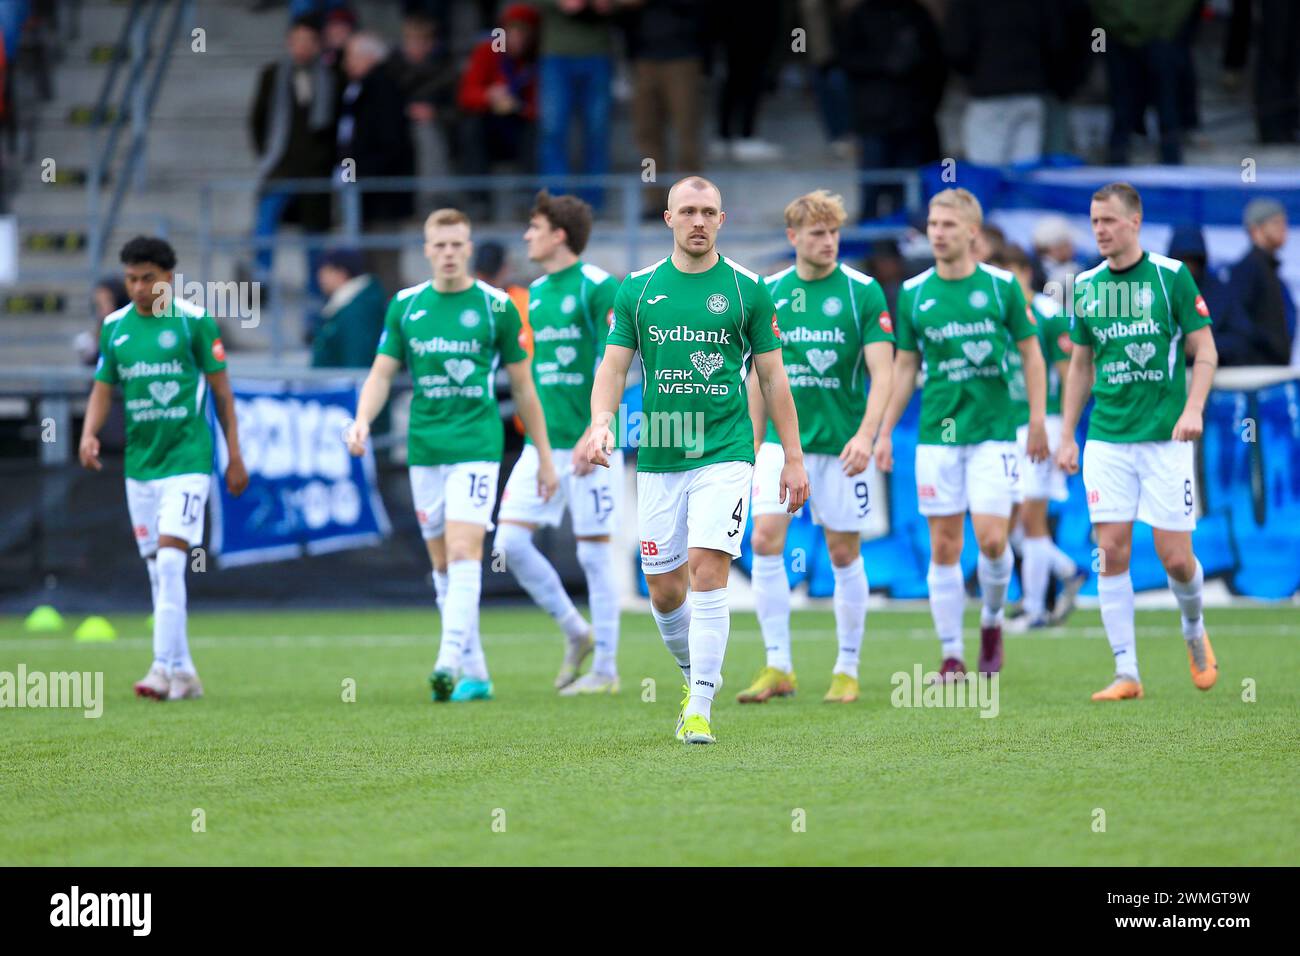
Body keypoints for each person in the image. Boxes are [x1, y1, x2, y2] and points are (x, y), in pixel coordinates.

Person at [585, 175, 810, 745]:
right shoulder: (636, 290)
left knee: (710, 569)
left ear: (722, 220)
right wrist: (601, 424)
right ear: (668, 219)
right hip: (662, 447)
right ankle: (694, 676)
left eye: (709, 211)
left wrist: (791, 456)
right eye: (687, 211)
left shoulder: (747, 289)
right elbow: (614, 367)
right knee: (664, 588)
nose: (699, 221)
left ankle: (700, 709)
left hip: (726, 449)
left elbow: (773, 376)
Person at [344, 209, 559, 703]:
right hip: (425, 448)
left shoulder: (495, 307)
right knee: (442, 565)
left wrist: (543, 455)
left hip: (476, 446)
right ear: (426, 250)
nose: (447, 253)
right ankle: (476, 673)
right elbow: (380, 374)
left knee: (465, 551)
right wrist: (360, 419)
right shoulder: (405, 306)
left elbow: (525, 387)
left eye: (456, 244)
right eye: (438, 245)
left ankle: (445, 662)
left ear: (468, 248)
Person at [874, 188, 1049, 681]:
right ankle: (952, 655)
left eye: (948, 225)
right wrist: (885, 431)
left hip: (994, 434)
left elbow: (1032, 354)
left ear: (972, 233)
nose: (938, 232)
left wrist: (1036, 418)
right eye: (933, 224)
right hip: (938, 437)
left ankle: (992, 621)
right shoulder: (914, 292)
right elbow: (906, 366)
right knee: (945, 547)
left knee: (993, 542)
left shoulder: (1001, 288)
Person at [1057, 182, 1219, 701]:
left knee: (1175, 557)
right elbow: (1080, 365)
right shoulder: (1084, 285)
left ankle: (1193, 628)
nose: (1099, 230)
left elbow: (1206, 351)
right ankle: (1127, 671)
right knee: (1109, 550)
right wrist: (1066, 434)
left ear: (1135, 221)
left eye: (1108, 220)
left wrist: (1193, 408)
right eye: (1093, 221)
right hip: (1107, 440)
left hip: (1164, 440)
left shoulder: (1171, 277)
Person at [78, 237, 248, 702]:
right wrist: (89, 432)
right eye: (131, 278)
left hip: (188, 461)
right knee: (159, 571)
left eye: (147, 277)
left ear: (169, 278)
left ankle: (159, 667)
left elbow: (222, 392)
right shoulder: (114, 328)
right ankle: (185, 671)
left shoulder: (194, 323)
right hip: (141, 466)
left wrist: (233, 453)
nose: (138, 287)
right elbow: (102, 387)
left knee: (173, 560)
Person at [742, 190, 895, 704]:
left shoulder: (863, 292)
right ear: (793, 238)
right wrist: (751, 445)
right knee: (765, 539)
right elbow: (758, 376)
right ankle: (778, 665)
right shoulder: (767, 291)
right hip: (781, 449)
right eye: (816, 233)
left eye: (833, 233)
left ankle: (847, 669)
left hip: (841, 448)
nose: (828, 242)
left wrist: (867, 435)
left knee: (842, 550)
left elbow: (884, 372)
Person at [495, 191, 624, 695]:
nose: (527, 235)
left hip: (590, 443)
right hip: (543, 447)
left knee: (594, 554)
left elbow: (617, 361)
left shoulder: (597, 287)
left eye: (534, 226)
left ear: (559, 234)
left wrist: (598, 430)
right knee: (508, 542)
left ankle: (607, 671)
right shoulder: (536, 293)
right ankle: (577, 631)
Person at [990, 244, 1086, 631]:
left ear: (1025, 272)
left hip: (1039, 426)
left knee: (1030, 519)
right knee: (1009, 521)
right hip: (1004, 429)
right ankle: (1067, 569)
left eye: (1009, 273)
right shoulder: (996, 315)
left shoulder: (1048, 314)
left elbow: (1070, 374)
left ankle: (1033, 609)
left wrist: (1064, 431)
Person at [249, 15, 336, 300]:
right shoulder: (273, 75)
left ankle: (316, 295)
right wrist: (269, 154)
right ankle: (259, 285)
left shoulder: (330, 76)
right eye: (297, 40)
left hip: (315, 172)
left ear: (317, 44)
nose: (302, 47)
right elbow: (257, 120)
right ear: (289, 42)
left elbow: (333, 126)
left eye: (308, 41)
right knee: (264, 229)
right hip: (280, 168)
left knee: (314, 241)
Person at [837, 0, 946, 221]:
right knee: (873, 186)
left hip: (913, 119)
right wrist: (885, 64)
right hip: (875, 120)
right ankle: (871, 242)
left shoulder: (917, 15)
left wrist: (927, 105)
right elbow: (846, 61)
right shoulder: (861, 15)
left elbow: (938, 65)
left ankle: (904, 242)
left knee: (909, 189)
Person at [336, 32, 416, 297]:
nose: (346, 64)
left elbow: (389, 143)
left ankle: (393, 327)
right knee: (369, 263)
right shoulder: (360, 89)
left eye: (351, 57)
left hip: (382, 194)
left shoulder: (382, 88)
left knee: (383, 264)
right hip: (368, 193)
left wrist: (362, 173)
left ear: (368, 58)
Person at [946, 0, 1058, 165]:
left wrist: (973, 75)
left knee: (987, 172)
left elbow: (957, 47)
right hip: (1030, 91)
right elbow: (1057, 40)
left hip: (990, 94)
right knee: (1025, 173)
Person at [623, 0, 707, 215]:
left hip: (683, 56)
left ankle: (690, 201)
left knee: (686, 131)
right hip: (642, 57)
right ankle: (653, 199)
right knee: (646, 134)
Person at [457, 4, 539, 218]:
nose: (518, 39)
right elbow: (466, 95)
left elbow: (541, 106)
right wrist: (489, 96)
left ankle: (525, 198)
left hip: (520, 128)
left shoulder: (537, 60)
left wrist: (519, 106)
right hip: (490, 126)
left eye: (524, 33)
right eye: (513, 32)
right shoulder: (487, 52)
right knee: (471, 127)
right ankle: (478, 202)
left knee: (536, 132)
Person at [536, 0, 615, 207]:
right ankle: (554, 203)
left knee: (597, 131)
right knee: (553, 131)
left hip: (598, 53)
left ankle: (593, 204)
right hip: (556, 56)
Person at [1218, 198, 1295, 367]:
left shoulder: (1270, 271)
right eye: (1275, 222)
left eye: (1284, 222)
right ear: (1255, 229)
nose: (1283, 228)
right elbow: (1239, 323)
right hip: (1255, 375)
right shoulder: (1248, 269)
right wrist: (1268, 348)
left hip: (1271, 371)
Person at [311, 249, 386, 369]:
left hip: (349, 384)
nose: (320, 277)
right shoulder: (350, 305)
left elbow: (358, 359)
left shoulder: (357, 310)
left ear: (341, 273)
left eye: (326, 271)